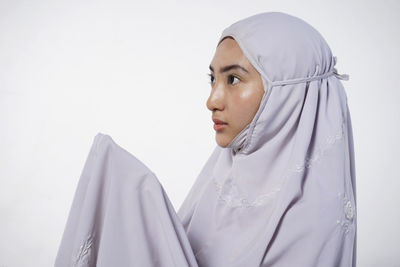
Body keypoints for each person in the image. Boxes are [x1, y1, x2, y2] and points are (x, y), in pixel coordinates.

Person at [55, 11, 357, 267]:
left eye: (234, 79)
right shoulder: (221, 181)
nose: (212, 100)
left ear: (289, 95)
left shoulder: (314, 221)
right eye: (213, 78)